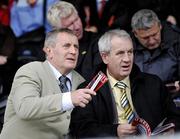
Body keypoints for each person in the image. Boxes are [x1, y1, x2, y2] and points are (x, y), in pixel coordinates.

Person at [69, 29, 180, 138]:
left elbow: (174, 116)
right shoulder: (88, 89)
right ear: (105, 57)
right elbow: (81, 129)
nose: (127, 59)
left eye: (130, 52)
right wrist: (114, 131)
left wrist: (171, 130)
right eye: (120, 53)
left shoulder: (153, 83)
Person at [0, 28, 96, 139]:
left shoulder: (81, 81)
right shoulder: (31, 70)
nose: (73, 51)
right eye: (66, 46)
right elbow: (24, 107)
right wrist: (68, 99)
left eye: (76, 47)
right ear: (49, 51)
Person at [47, 1, 100, 81]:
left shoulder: (97, 42)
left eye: (77, 19)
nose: (77, 26)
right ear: (57, 30)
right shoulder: (50, 50)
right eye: (70, 25)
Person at [131, 9, 180, 93]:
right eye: (145, 38)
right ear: (135, 34)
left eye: (154, 34)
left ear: (160, 26)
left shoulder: (176, 41)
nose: (152, 41)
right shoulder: (126, 47)